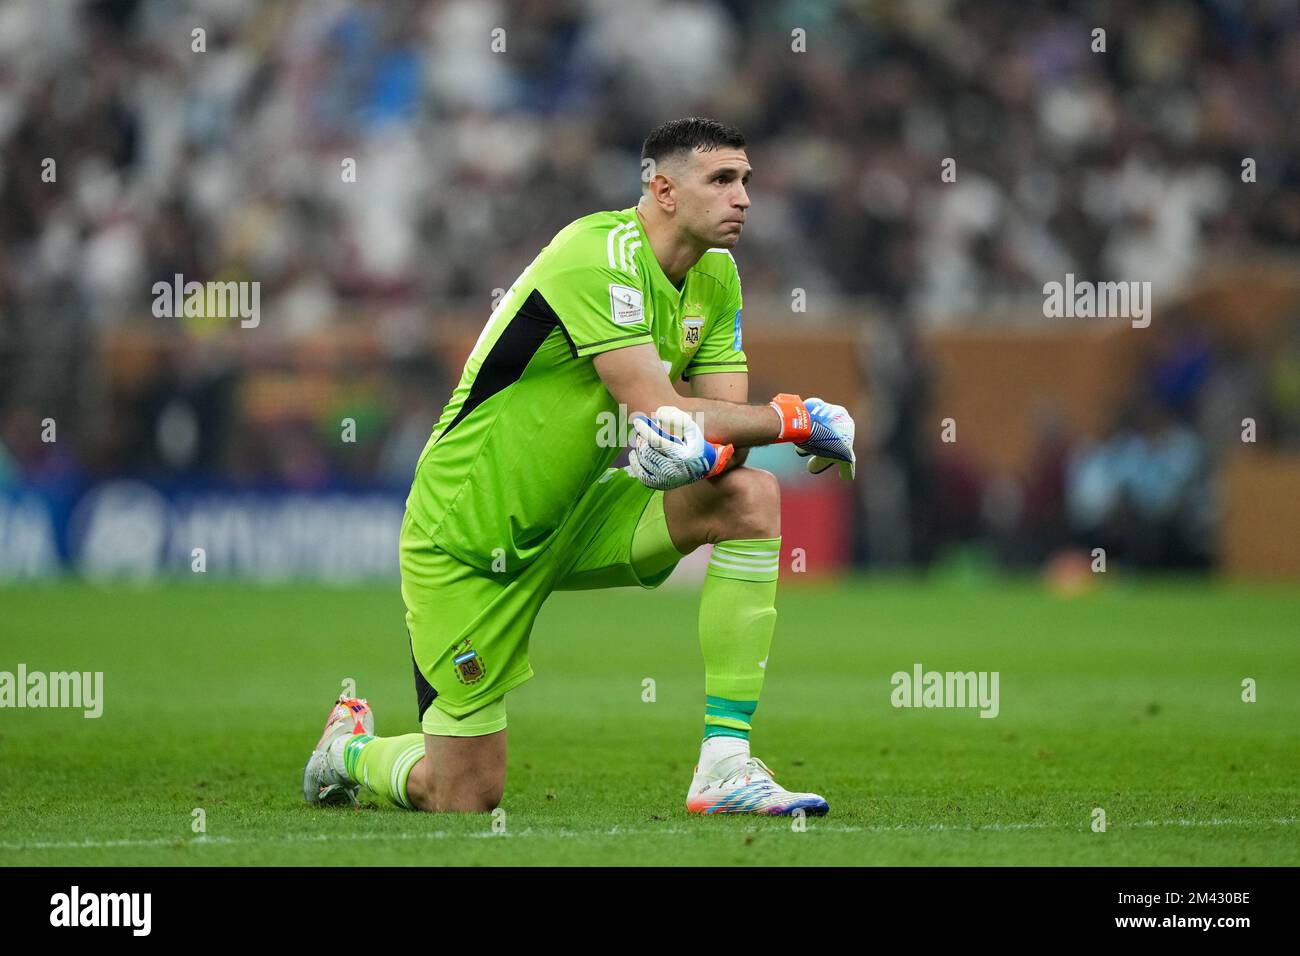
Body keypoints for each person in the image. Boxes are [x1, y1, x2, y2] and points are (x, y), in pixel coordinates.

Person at [302, 117, 856, 816]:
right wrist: (796, 417)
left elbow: (721, 436)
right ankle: (348, 751)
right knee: (465, 794)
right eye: (722, 180)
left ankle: (726, 764)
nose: (743, 197)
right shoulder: (594, 255)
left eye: (746, 180)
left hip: (577, 513)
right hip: (469, 535)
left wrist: (691, 453)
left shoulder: (717, 278)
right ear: (663, 190)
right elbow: (658, 402)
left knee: (748, 495)